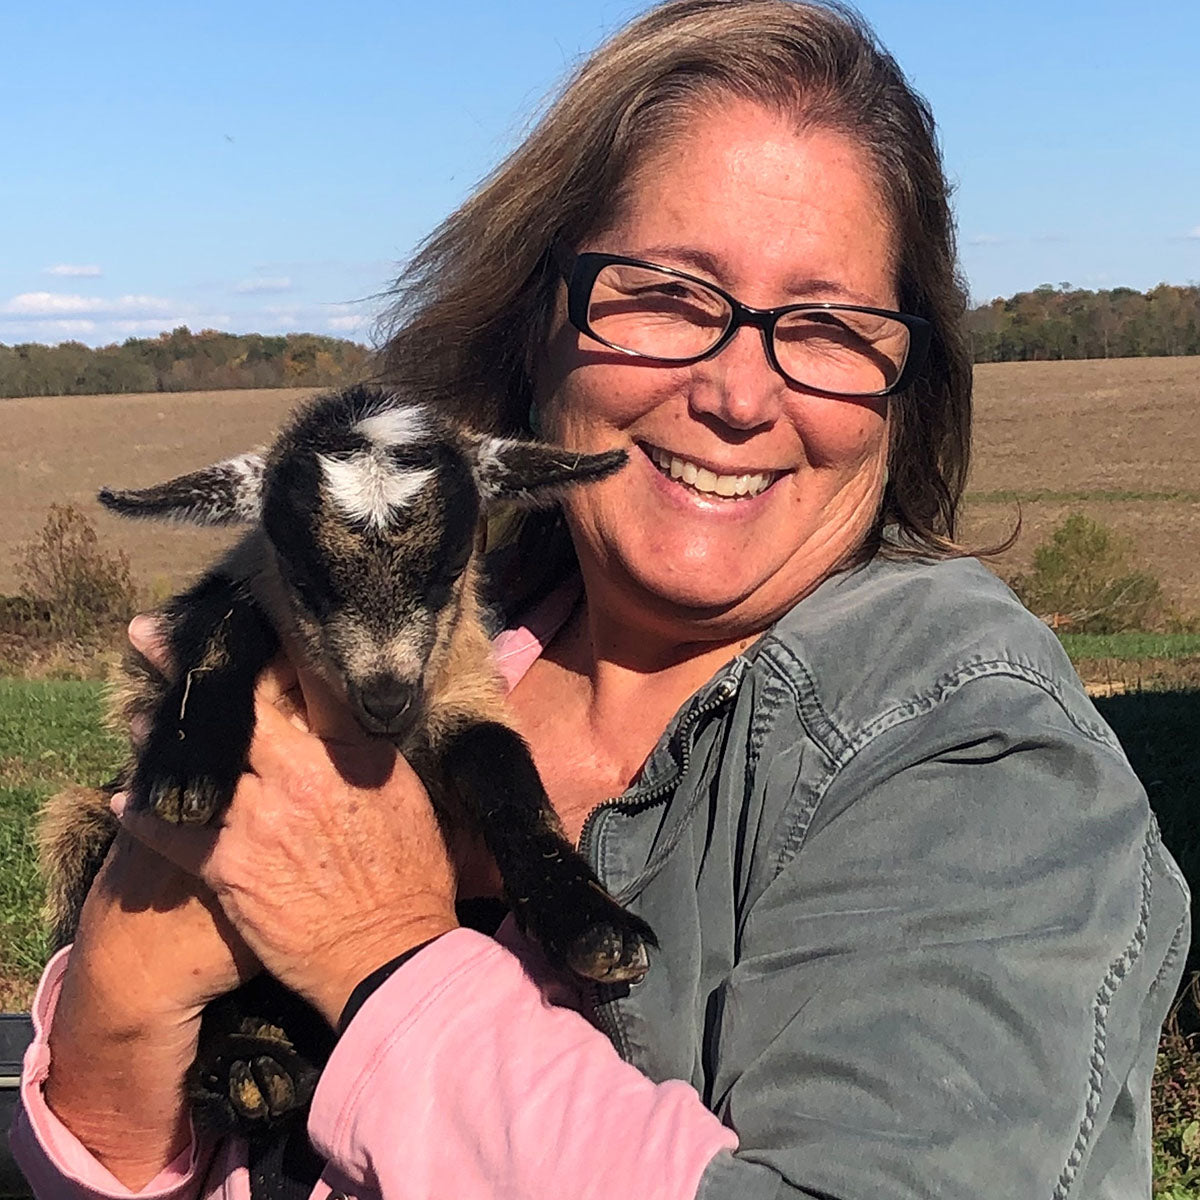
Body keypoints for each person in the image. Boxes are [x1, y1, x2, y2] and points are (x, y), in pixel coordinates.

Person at [12, 1, 1189, 1197]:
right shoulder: (454, 632)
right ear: (539, 327)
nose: (736, 394)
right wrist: (117, 987)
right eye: (666, 296)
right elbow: (114, 1142)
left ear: (902, 384)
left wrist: (382, 964)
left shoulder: (969, 752)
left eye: (827, 325)